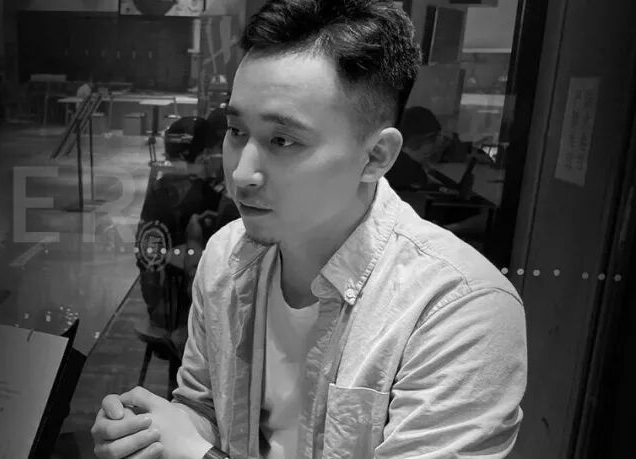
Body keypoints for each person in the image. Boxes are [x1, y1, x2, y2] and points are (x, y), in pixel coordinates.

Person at [91, 1, 527, 458]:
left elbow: (198, 450)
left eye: (283, 140)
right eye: (236, 131)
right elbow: (203, 407)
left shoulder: (459, 308)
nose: (241, 173)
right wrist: (149, 433)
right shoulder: (226, 257)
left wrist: (194, 454)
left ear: (376, 156)